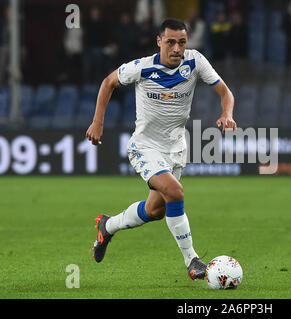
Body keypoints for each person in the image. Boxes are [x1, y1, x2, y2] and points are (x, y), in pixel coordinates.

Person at [85, 19, 237, 280]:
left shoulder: (195, 62)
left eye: (182, 42)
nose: (177, 48)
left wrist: (227, 113)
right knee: (175, 192)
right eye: (171, 42)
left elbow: (225, 91)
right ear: (159, 41)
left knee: (156, 210)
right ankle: (193, 261)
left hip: (176, 149)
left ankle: (107, 226)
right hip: (145, 146)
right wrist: (97, 123)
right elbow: (108, 83)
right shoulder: (142, 68)